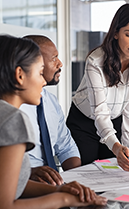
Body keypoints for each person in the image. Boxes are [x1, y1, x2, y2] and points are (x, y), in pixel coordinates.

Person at [0, 35, 107, 208]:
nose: (43, 81)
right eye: (39, 72)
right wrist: (64, 199)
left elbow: (5, 183)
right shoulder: (11, 119)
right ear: (20, 75)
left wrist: (58, 190)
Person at [66, 3, 129, 171]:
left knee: (114, 176)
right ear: (115, 33)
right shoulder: (96, 61)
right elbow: (100, 112)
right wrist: (115, 146)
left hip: (115, 120)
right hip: (84, 122)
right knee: (88, 176)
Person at [20, 35, 81, 186]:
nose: (60, 63)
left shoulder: (51, 101)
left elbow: (66, 146)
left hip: (54, 184)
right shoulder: (12, 106)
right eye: (54, 58)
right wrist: (28, 173)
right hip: (24, 183)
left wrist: (77, 179)